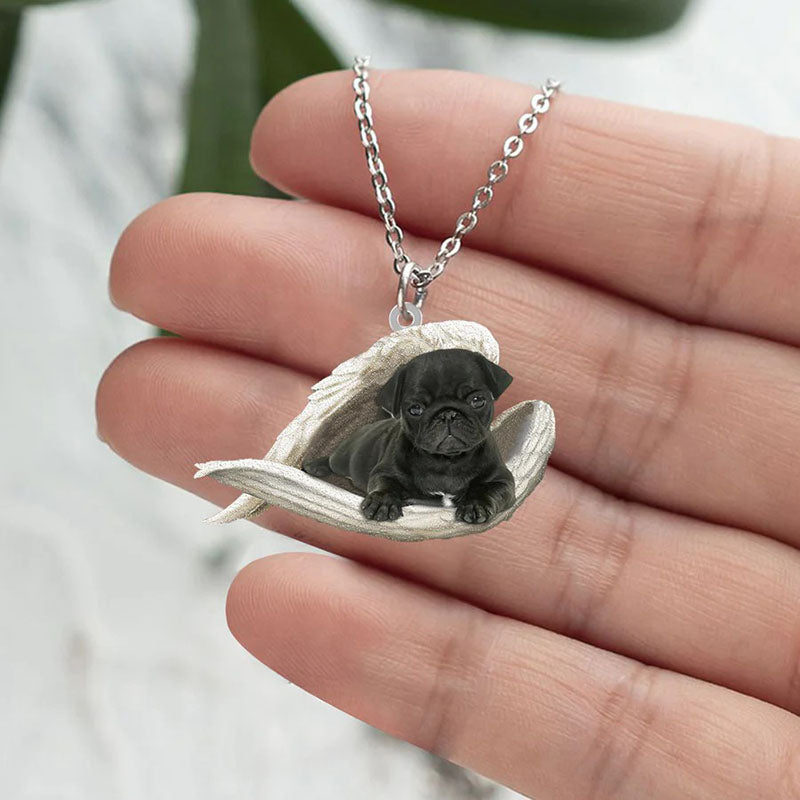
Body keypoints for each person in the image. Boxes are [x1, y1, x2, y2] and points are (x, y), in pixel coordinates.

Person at [95, 69, 800, 799]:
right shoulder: (387, 436)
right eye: (425, 410)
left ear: (492, 398)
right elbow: (383, 468)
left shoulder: (489, 449)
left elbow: (495, 480)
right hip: (373, 460)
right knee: (356, 464)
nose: (450, 421)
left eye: (469, 405)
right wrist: (374, 491)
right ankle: (321, 469)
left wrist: (481, 496)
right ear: (398, 406)